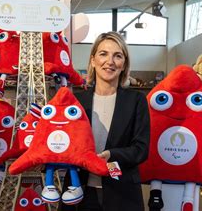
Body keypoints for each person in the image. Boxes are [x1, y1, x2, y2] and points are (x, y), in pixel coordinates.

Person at [61, 32, 150, 211]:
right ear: (93, 60)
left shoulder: (136, 101)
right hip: (79, 191)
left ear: (123, 64)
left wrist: (112, 154)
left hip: (122, 193)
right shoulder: (75, 102)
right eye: (103, 54)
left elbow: (141, 149)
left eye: (117, 56)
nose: (110, 61)